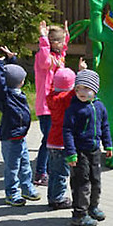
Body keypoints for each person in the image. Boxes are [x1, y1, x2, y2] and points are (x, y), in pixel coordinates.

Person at [0, 46, 41, 207]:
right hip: (11, 138)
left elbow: (11, 74)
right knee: (12, 168)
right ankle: (12, 193)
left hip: (21, 137)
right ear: (21, 82)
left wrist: (11, 59)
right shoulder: (6, 96)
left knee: (25, 166)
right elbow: (1, 82)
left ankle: (27, 188)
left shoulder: (16, 91)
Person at [63, 69, 113, 226]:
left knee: (95, 180)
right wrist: (71, 153)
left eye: (86, 88)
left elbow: (105, 126)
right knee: (81, 182)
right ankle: (79, 214)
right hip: (79, 152)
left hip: (94, 150)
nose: (81, 92)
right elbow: (67, 131)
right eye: (78, 89)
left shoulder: (99, 106)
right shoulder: (74, 109)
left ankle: (93, 207)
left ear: (95, 89)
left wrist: (108, 144)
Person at [45, 59, 87, 210]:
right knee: (62, 173)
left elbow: (53, 86)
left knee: (54, 172)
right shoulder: (67, 99)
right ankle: (58, 199)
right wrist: (82, 72)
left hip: (52, 141)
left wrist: (54, 70)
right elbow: (78, 91)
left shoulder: (51, 97)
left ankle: (52, 197)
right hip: (63, 143)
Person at [33, 20, 69, 186]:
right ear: (52, 43)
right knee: (47, 140)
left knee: (52, 139)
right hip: (46, 108)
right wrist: (43, 38)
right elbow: (45, 60)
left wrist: (66, 36)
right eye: (59, 41)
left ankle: (48, 169)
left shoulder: (58, 56)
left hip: (56, 105)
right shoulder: (44, 59)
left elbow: (64, 50)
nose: (62, 44)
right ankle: (40, 173)